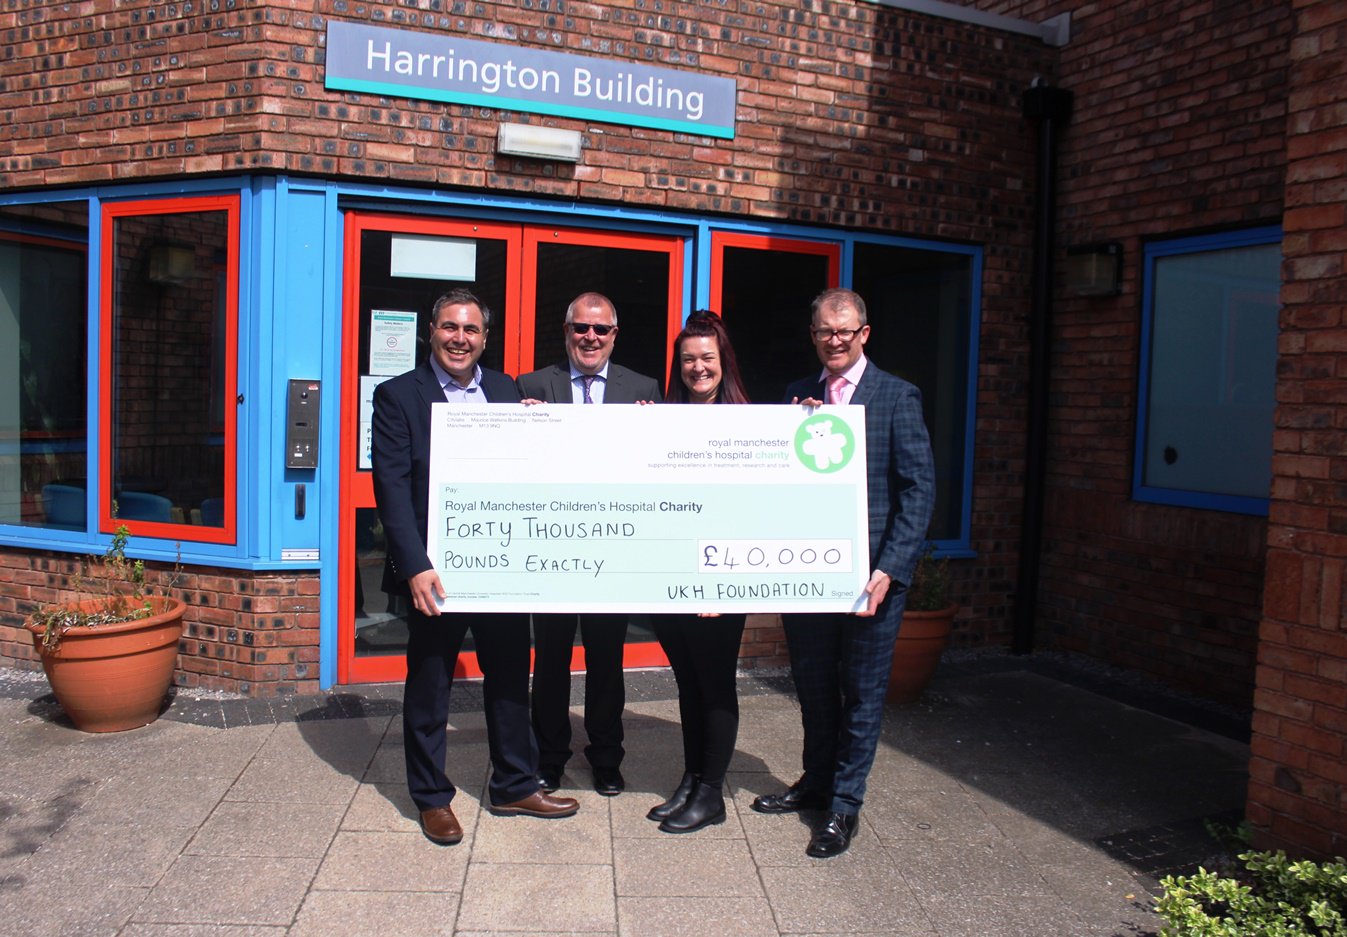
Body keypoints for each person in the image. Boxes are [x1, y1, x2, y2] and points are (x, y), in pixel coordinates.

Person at [372, 288, 580, 845]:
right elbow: (391, 487)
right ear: (431, 332)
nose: (459, 338)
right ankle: (431, 797)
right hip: (435, 571)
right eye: (449, 327)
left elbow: (529, 470)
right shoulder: (398, 395)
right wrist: (415, 565)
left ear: (485, 338)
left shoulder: (507, 390)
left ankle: (515, 784)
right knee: (430, 684)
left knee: (510, 677)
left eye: (470, 329)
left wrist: (537, 428)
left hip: (498, 566)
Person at [752, 287, 935, 858]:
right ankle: (816, 781)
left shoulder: (897, 396)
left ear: (864, 334)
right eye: (825, 331)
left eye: (845, 331)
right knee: (812, 685)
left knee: (862, 693)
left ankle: (844, 805)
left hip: (868, 581)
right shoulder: (796, 394)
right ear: (813, 336)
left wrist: (890, 569)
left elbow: (918, 490)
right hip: (811, 574)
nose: (835, 340)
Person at [516, 291, 662, 796]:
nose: (591, 337)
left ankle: (605, 756)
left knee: (606, 659)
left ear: (614, 335)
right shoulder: (533, 385)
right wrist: (521, 427)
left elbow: (656, 469)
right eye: (581, 327)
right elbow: (515, 467)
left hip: (612, 549)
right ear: (567, 331)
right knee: (550, 659)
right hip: (554, 548)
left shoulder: (643, 389)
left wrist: (653, 431)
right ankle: (549, 755)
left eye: (601, 329)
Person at [647, 311, 750, 833]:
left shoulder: (749, 423)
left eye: (707, 357)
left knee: (714, 683)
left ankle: (711, 793)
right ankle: (692, 779)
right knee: (688, 682)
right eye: (688, 359)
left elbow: (755, 511)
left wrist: (724, 586)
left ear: (723, 361)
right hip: (670, 577)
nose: (698, 368)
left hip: (719, 582)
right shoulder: (663, 418)